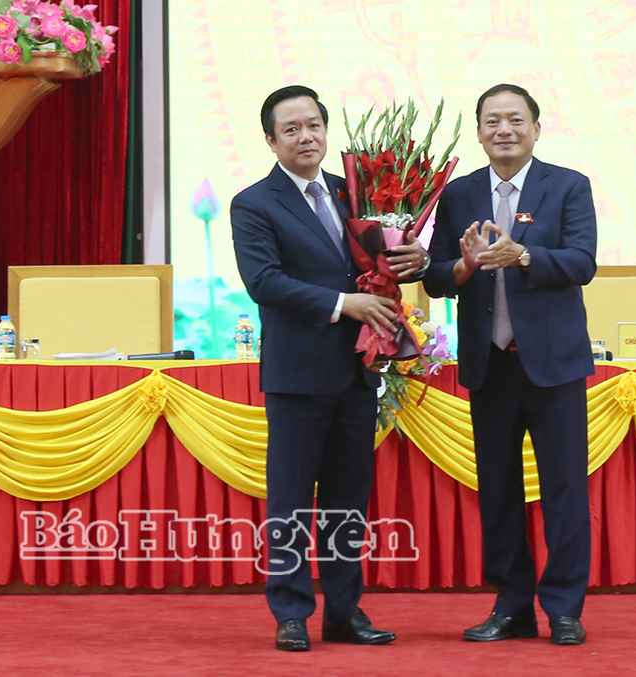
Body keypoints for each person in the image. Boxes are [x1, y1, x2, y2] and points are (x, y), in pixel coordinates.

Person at [231, 85, 421, 652]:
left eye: (313, 125)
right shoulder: (254, 203)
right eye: (290, 129)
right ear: (271, 141)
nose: (305, 137)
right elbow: (264, 282)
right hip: (297, 374)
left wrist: (414, 260)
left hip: (358, 370)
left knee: (347, 501)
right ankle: (291, 612)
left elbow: (382, 259)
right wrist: (345, 304)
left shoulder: (353, 192)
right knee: (290, 499)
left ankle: (344, 611)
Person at [423, 84, 596, 646]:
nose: (504, 130)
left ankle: (564, 609)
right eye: (493, 121)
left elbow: (581, 262)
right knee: (498, 491)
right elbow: (435, 277)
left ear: (536, 129)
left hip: (554, 366)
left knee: (564, 490)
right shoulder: (458, 194)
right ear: (478, 132)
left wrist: (522, 255)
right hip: (489, 365)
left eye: (516, 120)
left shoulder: (568, 185)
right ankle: (512, 605)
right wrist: (465, 266)